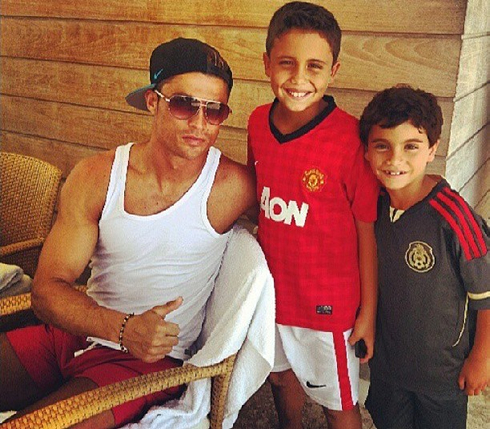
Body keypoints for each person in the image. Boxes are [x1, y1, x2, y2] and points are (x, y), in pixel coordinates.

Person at [0, 37, 256, 428]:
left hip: (143, 361)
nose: (200, 124)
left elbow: (306, 216)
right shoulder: (97, 176)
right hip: (73, 333)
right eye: (185, 105)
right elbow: (47, 289)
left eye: (214, 110)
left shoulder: (234, 186)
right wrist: (122, 328)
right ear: (153, 101)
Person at [247, 2, 379, 428]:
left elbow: (366, 233)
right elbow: (258, 196)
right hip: (273, 296)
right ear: (267, 63)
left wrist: (367, 313)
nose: (299, 78)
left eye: (314, 66)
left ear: (334, 71)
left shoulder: (349, 139)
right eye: (286, 63)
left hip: (328, 307)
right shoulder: (255, 123)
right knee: (282, 380)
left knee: (338, 401)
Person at [360, 85, 490, 429]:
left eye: (411, 146)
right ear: (366, 152)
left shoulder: (454, 217)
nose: (395, 159)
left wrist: (482, 358)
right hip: (389, 366)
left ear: (432, 149)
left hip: (442, 375)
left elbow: (486, 294)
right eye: (382, 146)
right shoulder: (372, 208)